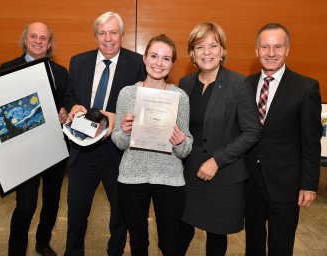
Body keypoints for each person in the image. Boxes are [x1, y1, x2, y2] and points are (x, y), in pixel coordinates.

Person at [0, 22, 69, 256]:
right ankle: (16, 251)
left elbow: (65, 104)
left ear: (49, 43)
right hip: (22, 153)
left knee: (52, 202)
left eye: (43, 38)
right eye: (33, 36)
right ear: (25, 40)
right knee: (25, 206)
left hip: (53, 148)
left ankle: (43, 242)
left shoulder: (60, 72)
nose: (38, 41)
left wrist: (65, 112)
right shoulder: (7, 68)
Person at [64, 12, 144, 256]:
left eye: (113, 32)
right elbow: (69, 95)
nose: (108, 38)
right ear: (96, 36)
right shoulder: (78, 61)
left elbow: (143, 105)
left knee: (119, 212)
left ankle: (115, 251)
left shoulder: (138, 63)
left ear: (121, 35)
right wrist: (73, 106)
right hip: (82, 150)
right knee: (76, 211)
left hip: (117, 151)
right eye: (102, 33)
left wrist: (116, 118)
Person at [178, 22, 261, 256]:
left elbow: (252, 132)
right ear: (192, 53)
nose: (206, 52)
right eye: (199, 46)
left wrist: (216, 161)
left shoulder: (239, 84)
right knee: (181, 232)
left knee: (216, 236)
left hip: (223, 174)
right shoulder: (185, 84)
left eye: (213, 46)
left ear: (222, 50)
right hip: (188, 173)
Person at [111, 34, 193, 256]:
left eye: (166, 59)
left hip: (169, 179)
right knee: (138, 243)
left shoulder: (180, 97)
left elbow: (186, 147)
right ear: (145, 59)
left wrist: (180, 142)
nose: (159, 63)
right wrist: (126, 132)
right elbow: (118, 142)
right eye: (154, 56)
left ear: (172, 64)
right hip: (131, 178)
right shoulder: (127, 94)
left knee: (170, 245)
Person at [244, 22, 322, 256]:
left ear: (288, 49)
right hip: (250, 183)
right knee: (253, 245)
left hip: (286, 185)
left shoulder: (306, 88)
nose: (271, 53)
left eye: (278, 47)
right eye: (265, 47)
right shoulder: (244, 86)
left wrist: (308, 184)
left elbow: (311, 140)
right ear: (256, 50)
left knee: (281, 247)